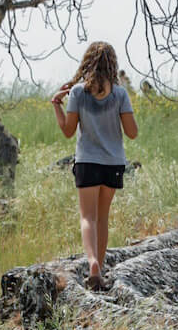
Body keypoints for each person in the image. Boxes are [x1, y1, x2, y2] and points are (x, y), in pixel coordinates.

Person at [51, 42, 138, 291]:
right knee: (102, 216)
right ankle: (100, 265)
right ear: (113, 64)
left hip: (87, 161)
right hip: (113, 162)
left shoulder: (77, 93)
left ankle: (92, 264)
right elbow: (132, 133)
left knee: (87, 217)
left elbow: (68, 131)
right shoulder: (120, 94)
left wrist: (56, 105)